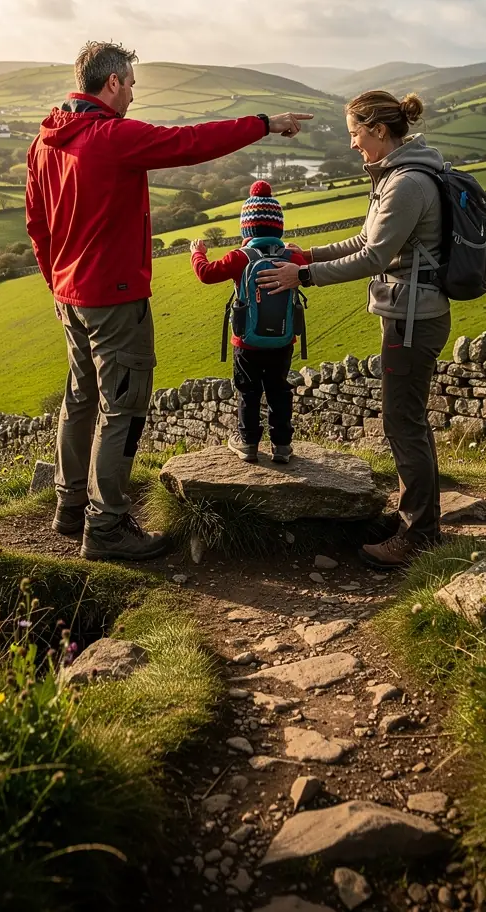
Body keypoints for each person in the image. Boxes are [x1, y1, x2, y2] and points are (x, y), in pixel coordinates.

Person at [26, 40, 312, 562]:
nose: (134, 93)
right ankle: (106, 526)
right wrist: (265, 123)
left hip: (70, 296)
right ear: (111, 82)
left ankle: (70, 508)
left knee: (81, 397)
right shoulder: (109, 137)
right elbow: (190, 142)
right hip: (113, 297)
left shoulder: (46, 141)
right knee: (124, 407)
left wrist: (57, 283)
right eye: (131, 83)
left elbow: (37, 225)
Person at [256, 90, 451, 569]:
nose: (352, 145)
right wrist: (311, 253)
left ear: (379, 131)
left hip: (413, 318)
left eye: (355, 134)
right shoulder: (400, 174)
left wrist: (301, 276)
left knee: (402, 421)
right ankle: (414, 519)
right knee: (407, 419)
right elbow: (367, 238)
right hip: (411, 311)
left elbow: (372, 258)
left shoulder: (406, 182)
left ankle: (420, 535)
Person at [190, 181, 307, 465]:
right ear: (277, 226)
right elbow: (306, 271)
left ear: (247, 228)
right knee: (279, 389)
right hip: (282, 340)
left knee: (249, 390)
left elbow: (205, 274)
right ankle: (282, 446)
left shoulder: (241, 257)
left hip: (246, 341)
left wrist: (198, 252)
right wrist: (298, 250)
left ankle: (249, 444)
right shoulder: (291, 256)